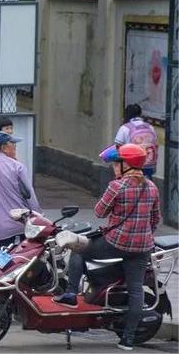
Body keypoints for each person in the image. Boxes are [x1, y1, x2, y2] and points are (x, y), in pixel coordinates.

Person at [54, 144, 159, 351]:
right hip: (142, 247)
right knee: (136, 290)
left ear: (126, 164)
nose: (113, 167)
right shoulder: (152, 188)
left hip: (116, 243)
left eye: (116, 163)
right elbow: (155, 220)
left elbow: (99, 212)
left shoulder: (117, 186)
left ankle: (72, 294)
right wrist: (140, 235)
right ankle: (127, 341)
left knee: (79, 248)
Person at [114, 104, 158, 179]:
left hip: (131, 167)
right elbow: (155, 144)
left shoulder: (125, 128)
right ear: (140, 114)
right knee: (147, 187)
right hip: (148, 165)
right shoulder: (150, 127)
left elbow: (117, 148)